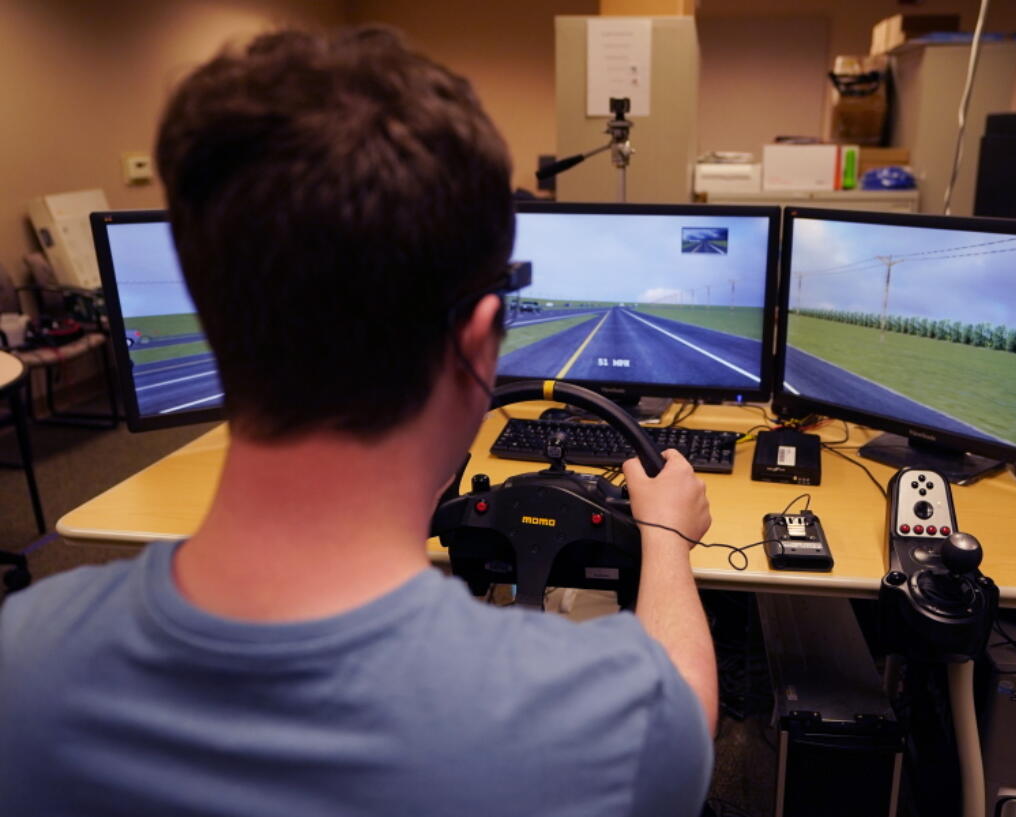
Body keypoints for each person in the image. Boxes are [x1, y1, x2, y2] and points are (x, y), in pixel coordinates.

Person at [0, 26, 717, 816]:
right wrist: (667, 538)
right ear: (476, 341)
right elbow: (686, 709)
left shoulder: (21, 655)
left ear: (210, 317)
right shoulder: (608, 719)